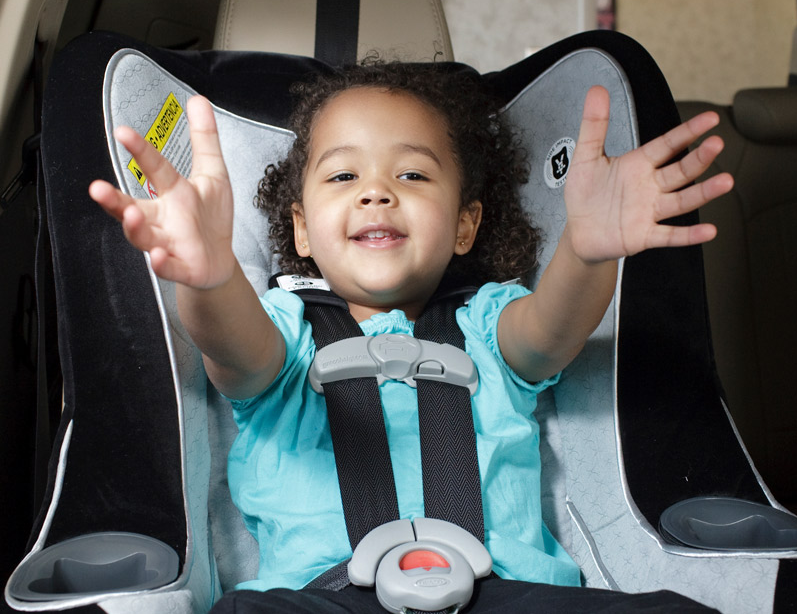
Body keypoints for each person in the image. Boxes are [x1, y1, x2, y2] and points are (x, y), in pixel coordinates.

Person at [89, 62, 731, 613]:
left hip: (506, 593)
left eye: (414, 176)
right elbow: (235, 352)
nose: (376, 193)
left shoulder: (487, 321)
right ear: (303, 229)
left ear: (464, 225)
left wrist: (587, 254)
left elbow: (548, 335)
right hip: (324, 594)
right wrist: (211, 276)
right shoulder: (283, 329)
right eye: (343, 177)